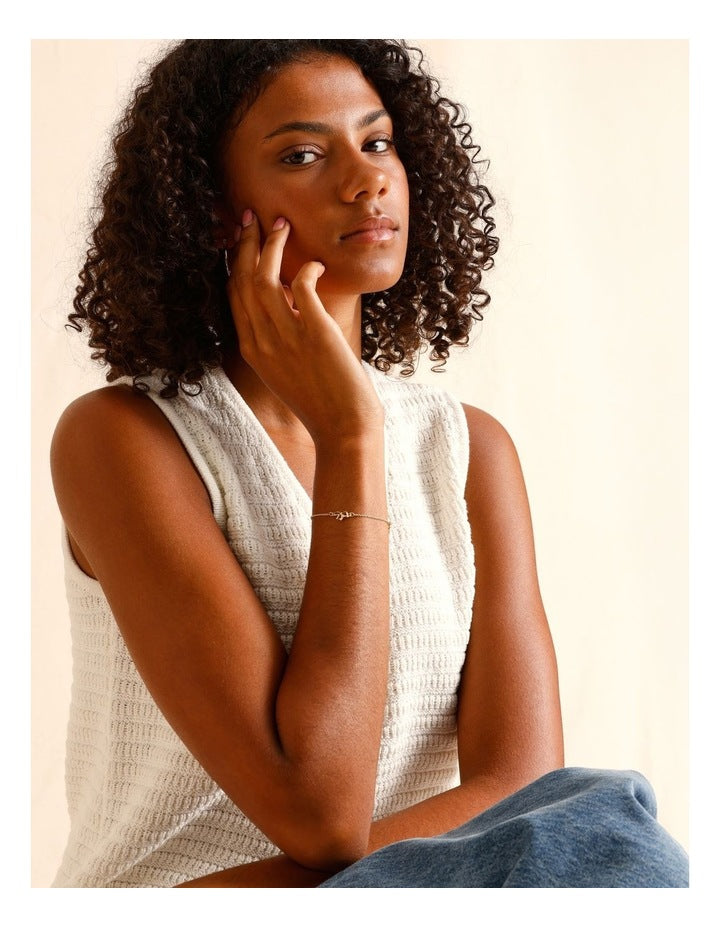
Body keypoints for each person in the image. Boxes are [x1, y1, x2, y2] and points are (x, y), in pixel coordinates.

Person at [49, 39, 688, 888]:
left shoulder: (468, 451)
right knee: (616, 834)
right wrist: (351, 435)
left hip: (405, 892)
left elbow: (529, 793)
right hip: (200, 894)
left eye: (378, 142)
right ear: (211, 209)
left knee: (602, 816)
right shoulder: (127, 439)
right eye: (304, 154)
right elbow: (318, 817)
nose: (365, 179)